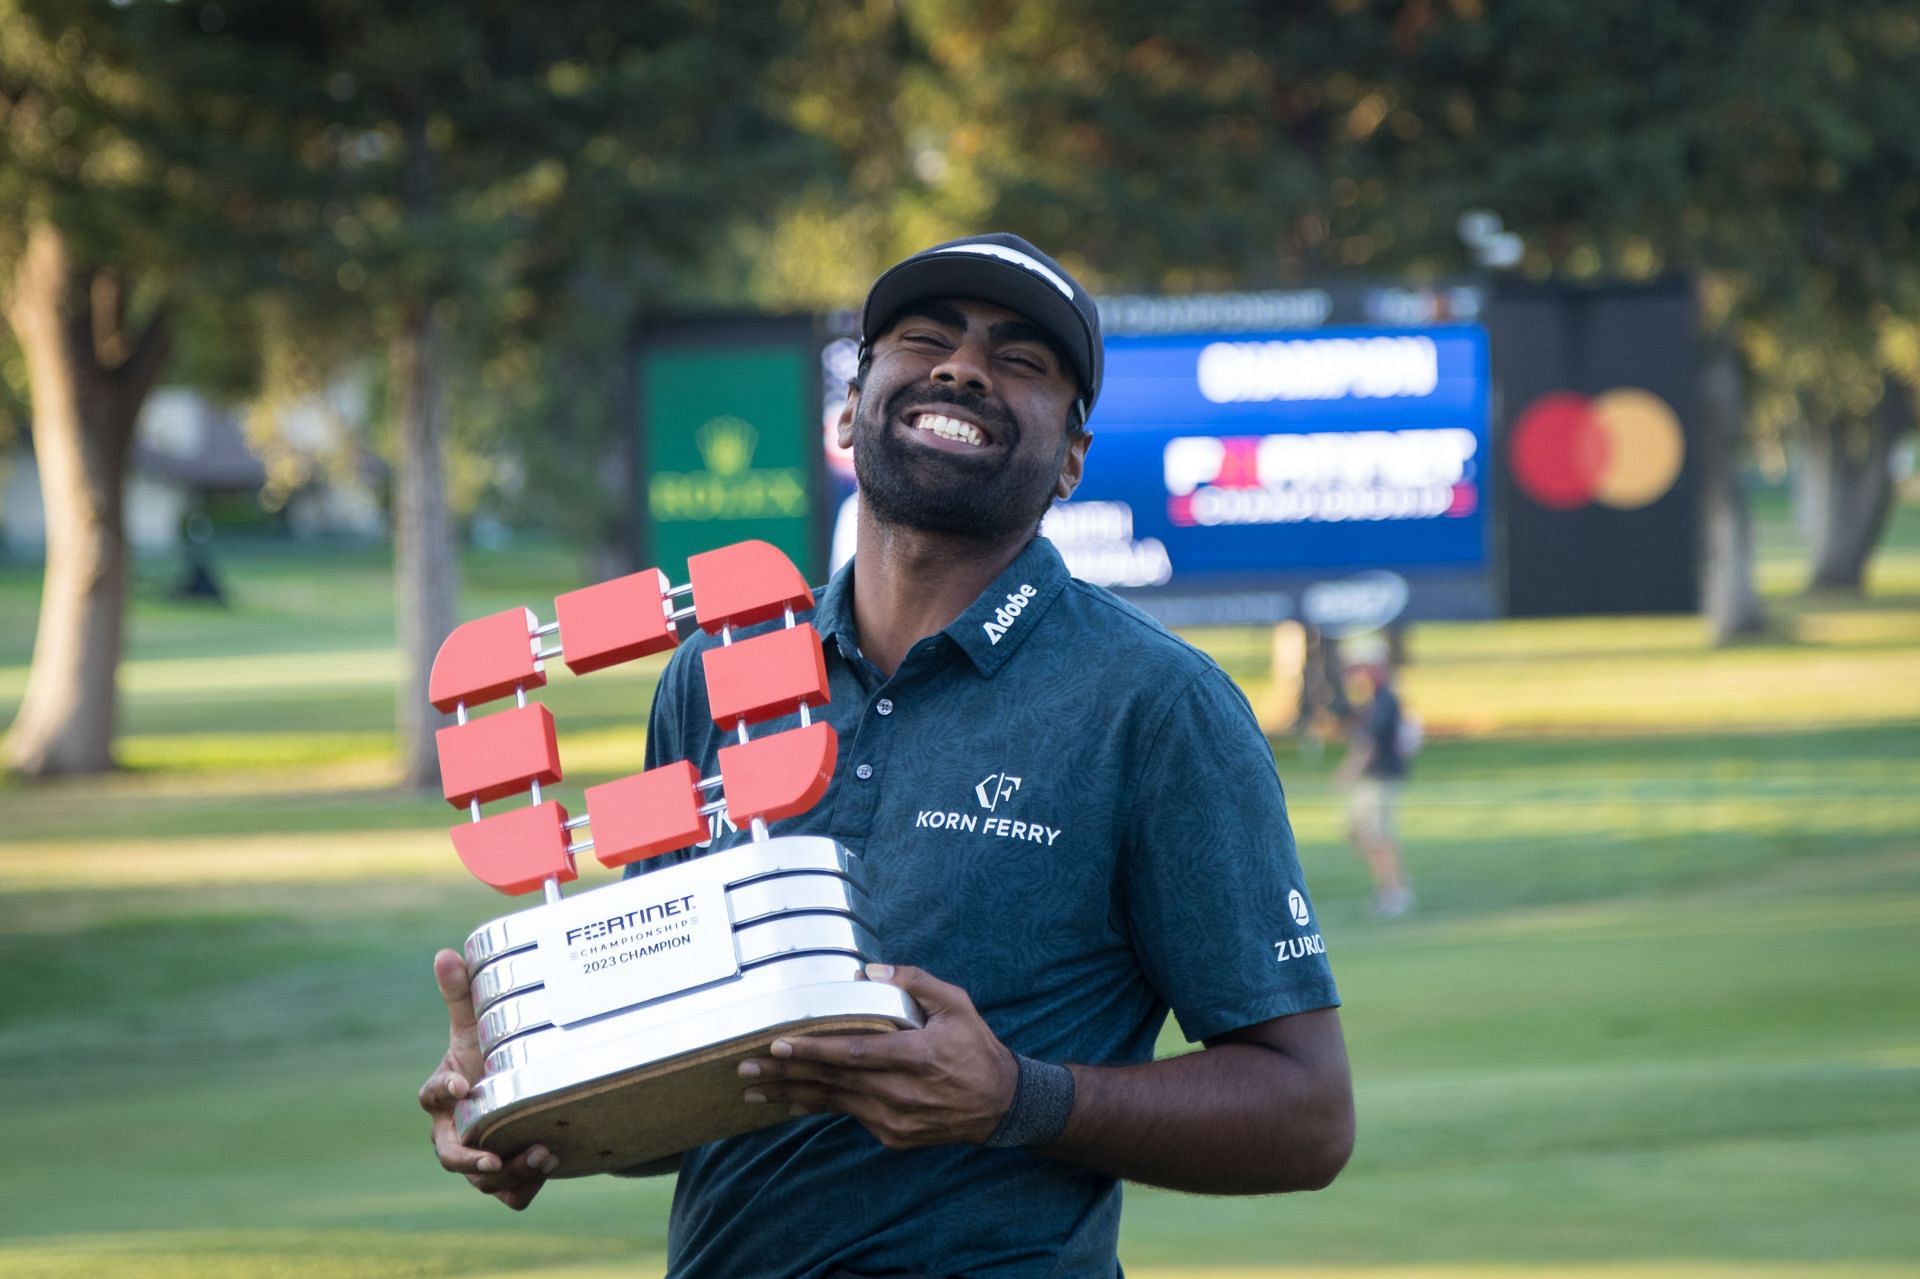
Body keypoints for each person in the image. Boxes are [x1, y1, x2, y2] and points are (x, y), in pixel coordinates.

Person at [421, 233, 1353, 1277]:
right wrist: (528, 1098)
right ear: (848, 409)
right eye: (925, 339)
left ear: (1074, 458)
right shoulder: (713, 676)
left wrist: (1019, 1098)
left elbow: (1308, 1112)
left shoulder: (1155, 704)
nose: (961, 368)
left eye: (1020, 359)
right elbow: (708, 1081)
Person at [1337, 653, 1414, 917]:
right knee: (1360, 832)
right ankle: (1388, 886)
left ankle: (1394, 891)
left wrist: (1347, 773)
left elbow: (1370, 743)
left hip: (1380, 777)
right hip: (1371, 779)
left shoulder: (1385, 700)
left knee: (1379, 835)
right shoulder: (1373, 701)